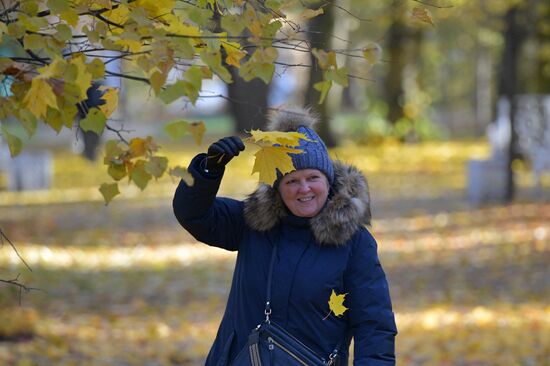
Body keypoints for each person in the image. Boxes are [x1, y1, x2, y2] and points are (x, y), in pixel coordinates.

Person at [172, 107, 397, 365]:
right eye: (291, 181)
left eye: (313, 177)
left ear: (328, 180)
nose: (304, 189)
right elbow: (193, 215)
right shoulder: (253, 222)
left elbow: (375, 325)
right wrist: (207, 172)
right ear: (278, 188)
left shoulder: (354, 242)